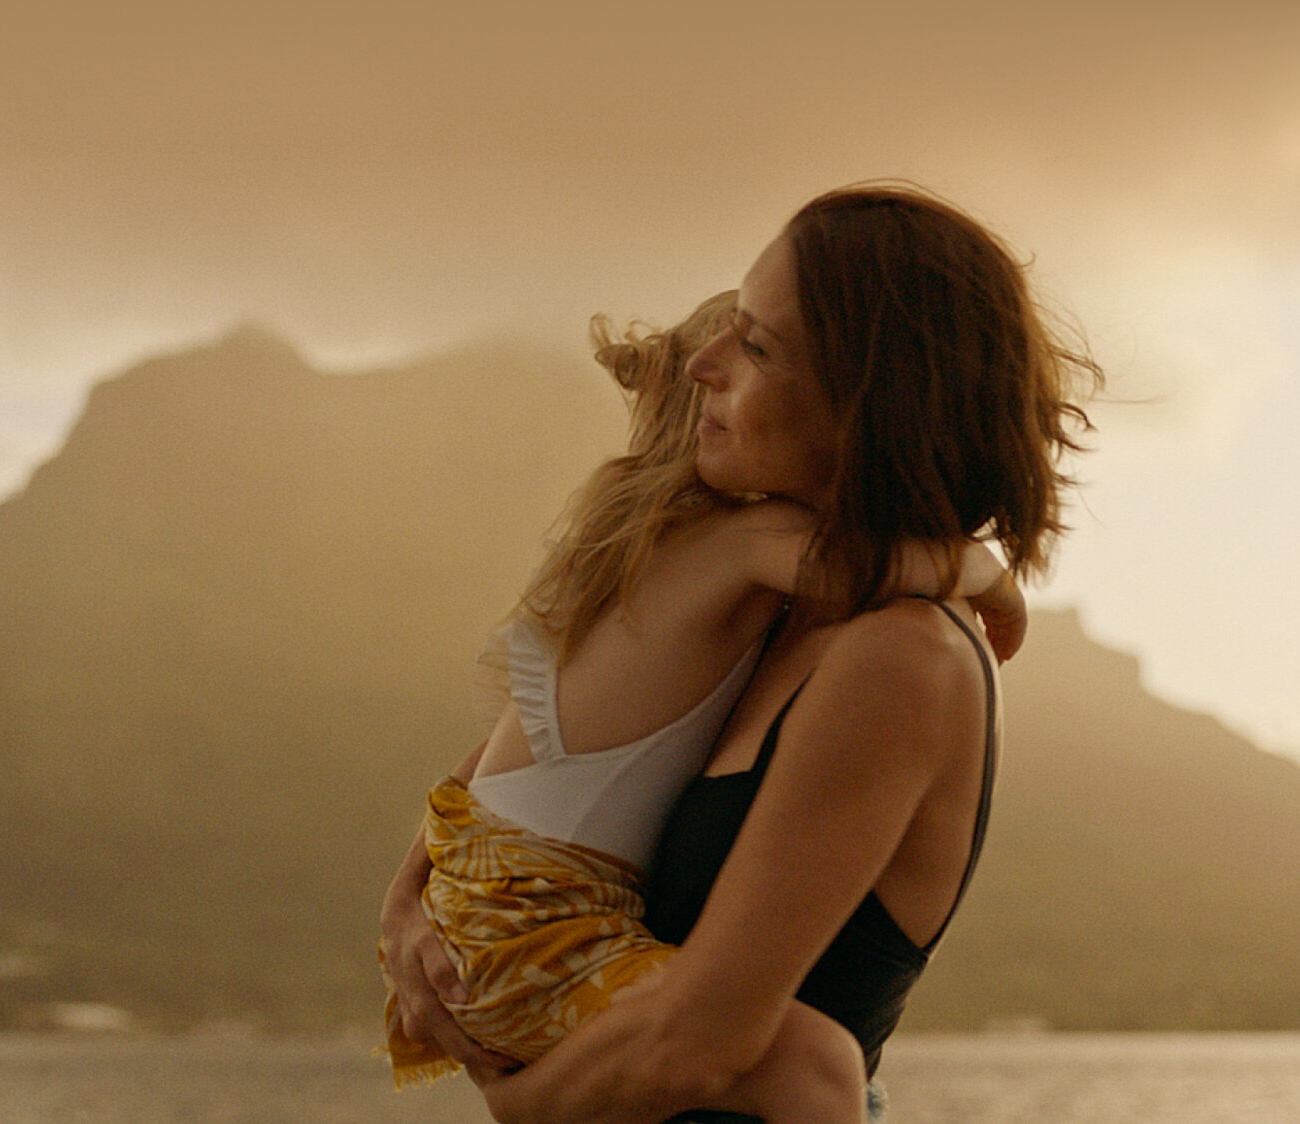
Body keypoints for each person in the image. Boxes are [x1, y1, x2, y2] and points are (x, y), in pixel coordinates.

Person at [381, 182, 1096, 1124]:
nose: (701, 365)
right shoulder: (756, 611)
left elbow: (696, 1047)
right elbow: (541, 750)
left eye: (757, 345)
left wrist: (521, 1106)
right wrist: (408, 905)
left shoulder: (900, 655)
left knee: (809, 1067)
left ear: (872, 398)